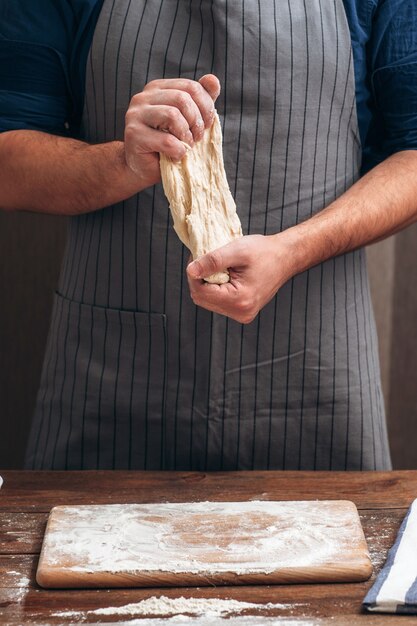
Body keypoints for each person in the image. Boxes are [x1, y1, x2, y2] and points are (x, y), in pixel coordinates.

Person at [1, 0, 417, 472]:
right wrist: (122, 164)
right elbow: (7, 157)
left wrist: (294, 249)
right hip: (113, 378)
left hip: (314, 380)